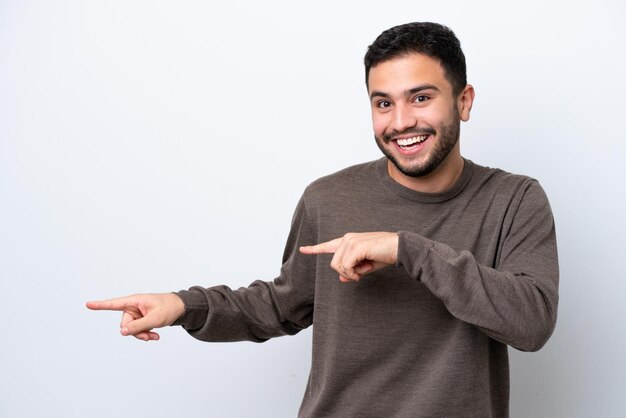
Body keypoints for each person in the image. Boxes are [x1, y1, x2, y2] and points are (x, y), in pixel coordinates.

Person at [87, 22, 559, 417]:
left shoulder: (514, 200)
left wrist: (406, 249)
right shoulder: (329, 198)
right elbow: (280, 306)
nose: (399, 122)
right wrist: (183, 306)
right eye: (383, 103)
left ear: (464, 101)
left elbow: (531, 322)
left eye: (420, 98)